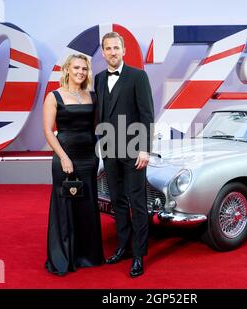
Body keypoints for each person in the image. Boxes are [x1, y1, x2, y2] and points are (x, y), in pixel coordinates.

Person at [95, 32, 154, 278]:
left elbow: (147, 114)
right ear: (103, 52)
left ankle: (139, 255)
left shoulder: (138, 76)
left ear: (124, 50)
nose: (112, 52)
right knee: (118, 201)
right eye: (108, 48)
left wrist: (144, 148)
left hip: (133, 150)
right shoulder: (98, 78)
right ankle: (123, 247)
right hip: (108, 149)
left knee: (137, 203)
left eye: (116, 48)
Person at [43, 54, 104, 275]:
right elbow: (49, 131)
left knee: (87, 205)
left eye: (85, 69)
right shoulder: (54, 96)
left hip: (88, 157)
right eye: (76, 68)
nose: (81, 72)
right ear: (67, 69)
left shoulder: (93, 96)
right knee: (66, 204)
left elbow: (96, 128)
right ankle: (64, 257)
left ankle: (87, 256)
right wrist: (64, 157)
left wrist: (99, 154)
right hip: (65, 157)